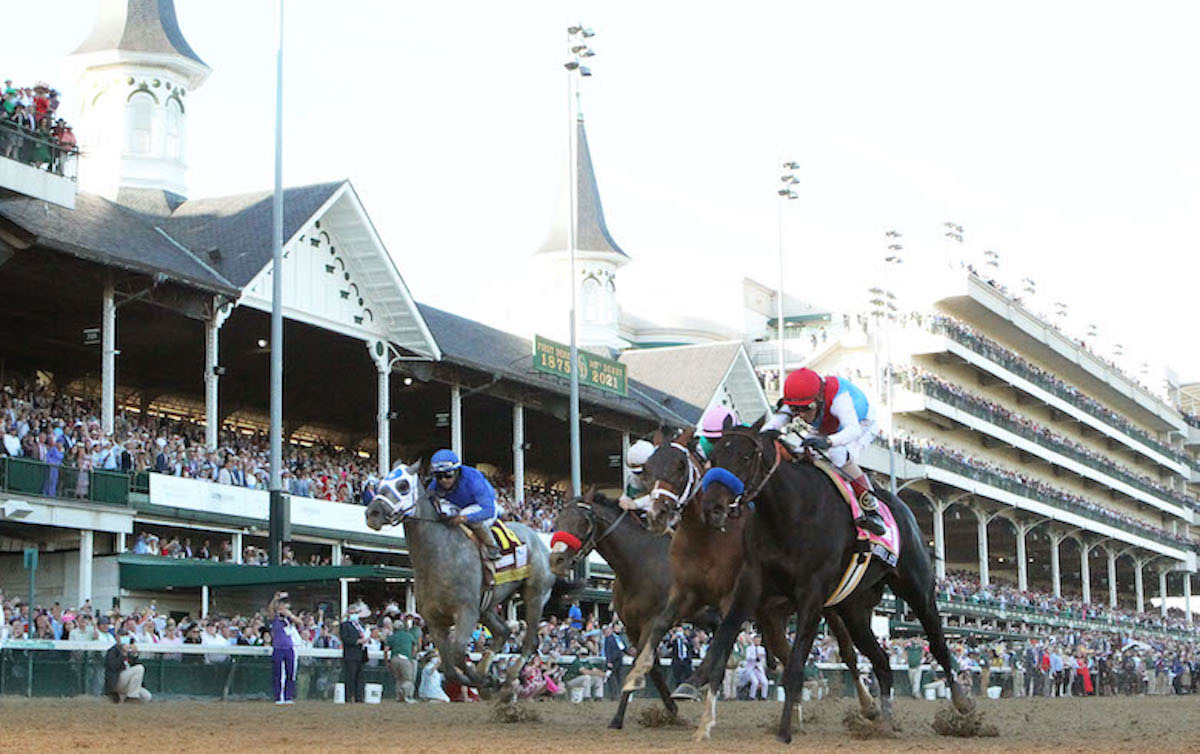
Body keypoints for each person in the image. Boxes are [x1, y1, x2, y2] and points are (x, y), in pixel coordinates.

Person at [763, 367, 885, 535]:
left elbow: (853, 430)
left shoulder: (839, 399)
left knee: (838, 455)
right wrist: (761, 436)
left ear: (819, 397)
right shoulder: (802, 400)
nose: (800, 415)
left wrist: (828, 441)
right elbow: (775, 423)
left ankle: (872, 510)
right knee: (798, 450)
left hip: (861, 424)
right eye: (794, 409)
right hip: (829, 425)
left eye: (806, 408)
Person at [427, 449, 501, 561]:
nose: (443, 480)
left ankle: (492, 547)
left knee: (465, 513)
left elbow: (488, 511)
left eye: (448, 475)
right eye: (438, 476)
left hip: (482, 508)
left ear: (456, 472)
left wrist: (464, 518)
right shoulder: (434, 486)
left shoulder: (474, 480)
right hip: (459, 508)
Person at [267, 591, 302, 704]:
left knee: (290, 673)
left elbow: (299, 622)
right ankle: (278, 696)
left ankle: (288, 696)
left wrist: (290, 615)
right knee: (277, 673)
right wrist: (275, 599)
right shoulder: (275, 618)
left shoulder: (288, 619)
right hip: (278, 648)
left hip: (289, 648)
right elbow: (270, 611)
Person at [104, 633, 151, 703]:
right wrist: (123, 655)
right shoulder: (112, 651)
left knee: (146, 696)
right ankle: (132, 697)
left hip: (129, 683)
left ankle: (123, 697)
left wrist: (134, 654)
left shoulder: (129, 651)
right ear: (117, 638)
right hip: (116, 681)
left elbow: (135, 666)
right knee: (139, 668)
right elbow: (113, 666)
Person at [339, 602, 370, 703]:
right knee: (350, 677)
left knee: (360, 677)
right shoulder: (345, 625)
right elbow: (345, 639)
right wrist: (357, 641)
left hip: (361, 654)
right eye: (352, 613)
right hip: (351, 655)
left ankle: (359, 697)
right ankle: (348, 697)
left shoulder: (361, 625)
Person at [385, 614, 420, 703]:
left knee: (398, 679)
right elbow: (415, 647)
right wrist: (412, 657)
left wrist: (387, 661)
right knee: (408, 679)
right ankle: (406, 695)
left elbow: (386, 650)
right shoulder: (409, 635)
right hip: (405, 658)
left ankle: (399, 697)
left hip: (394, 659)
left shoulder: (391, 637)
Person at [602, 623, 629, 700]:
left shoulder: (620, 638)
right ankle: (614, 695)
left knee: (619, 677)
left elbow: (623, 648)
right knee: (612, 678)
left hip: (619, 660)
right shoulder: (609, 638)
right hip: (613, 660)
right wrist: (609, 661)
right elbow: (607, 650)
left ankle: (619, 694)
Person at [743, 633, 769, 700]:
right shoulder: (749, 648)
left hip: (759, 668)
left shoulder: (762, 649)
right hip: (751, 668)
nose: (758, 642)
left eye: (759, 641)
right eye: (756, 640)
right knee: (755, 682)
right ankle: (752, 696)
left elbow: (763, 659)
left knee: (765, 682)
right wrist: (754, 657)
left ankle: (764, 696)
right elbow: (747, 657)